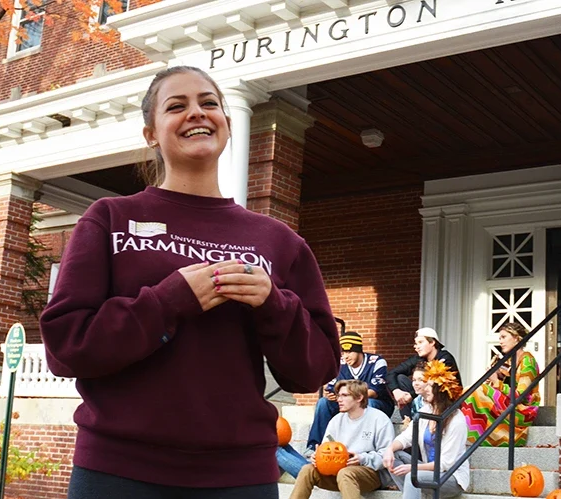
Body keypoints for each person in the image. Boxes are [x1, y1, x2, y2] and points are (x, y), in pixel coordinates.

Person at [39, 66, 342, 499]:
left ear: (227, 123)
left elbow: (314, 369)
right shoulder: (109, 218)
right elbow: (67, 347)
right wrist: (169, 300)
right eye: (176, 106)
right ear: (151, 132)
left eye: (209, 103)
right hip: (119, 471)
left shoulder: (279, 242)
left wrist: (274, 305)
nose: (196, 113)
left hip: (239, 475)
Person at [286, 380, 395, 499]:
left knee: (346, 473)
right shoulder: (336, 421)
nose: (338, 399)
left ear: (359, 397)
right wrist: (318, 457)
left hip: (371, 473)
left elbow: (387, 455)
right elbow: (327, 448)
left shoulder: (379, 419)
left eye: (344, 395)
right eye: (338, 395)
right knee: (307, 470)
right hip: (338, 472)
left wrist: (362, 458)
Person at [383, 360, 469, 499]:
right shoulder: (426, 410)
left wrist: (413, 469)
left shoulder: (456, 419)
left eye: (430, 385)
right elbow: (406, 437)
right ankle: (412, 494)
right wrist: (389, 450)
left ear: (441, 390)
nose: (425, 388)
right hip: (427, 471)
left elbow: (445, 464)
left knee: (413, 475)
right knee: (395, 456)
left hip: (451, 477)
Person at [304, 331, 394, 453]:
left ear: (359, 350)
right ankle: (314, 447)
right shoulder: (341, 363)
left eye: (349, 352)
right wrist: (331, 394)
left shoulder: (376, 361)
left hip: (378, 404)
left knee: (368, 404)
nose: (345, 356)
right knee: (323, 403)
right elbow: (331, 387)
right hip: (349, 403)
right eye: (343, 352)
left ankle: (363, 449)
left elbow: (374, 391)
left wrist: (350, 396)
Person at [461, 322, 540, 447]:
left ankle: (498, 435)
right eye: (500, 338)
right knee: (468, 391)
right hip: (510, 403)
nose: (500, 341)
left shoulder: (527, 361)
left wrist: (496, 381)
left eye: (504, 337)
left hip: (523, 410)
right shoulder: (509, 361)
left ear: (516, 338)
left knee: (475, 390)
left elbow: (521, 395)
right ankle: (473, 435)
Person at [387, 328, 462, 419]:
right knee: (400, 379)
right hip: (423, 400)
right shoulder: (418, 359)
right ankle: (408, 420)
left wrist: (411, 395)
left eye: (420, 342)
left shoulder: (446, 358)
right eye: (416, 343)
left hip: (445, 403)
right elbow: (391, 373)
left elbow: (436, 383)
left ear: (432, 342)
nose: (416, 346)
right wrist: (396, 391)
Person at [401, 363, 427, 430]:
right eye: (414, 380)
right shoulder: (417, 401)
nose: (416, 384)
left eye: (420, 380)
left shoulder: (438, 402)